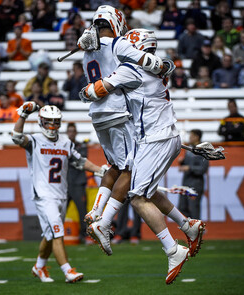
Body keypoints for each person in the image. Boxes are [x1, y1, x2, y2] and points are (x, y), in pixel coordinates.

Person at [81, 27, 205, 285]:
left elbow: (95, 91)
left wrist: (88, 64)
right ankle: (187, 225)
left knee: (137, 198)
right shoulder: (156, 67)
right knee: (146, 190)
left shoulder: (130, 69)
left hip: (155, 139)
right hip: (163, 136)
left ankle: (173, 250)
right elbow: (166, 66)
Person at [11, 103, 107, 283]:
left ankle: (39, 266)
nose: (52, 126)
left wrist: (99, 171)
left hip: (61, 194)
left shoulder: (65, 142)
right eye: (48, 122)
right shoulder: (35, 140)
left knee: (50, 234)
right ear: (41, 122)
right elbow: (16, 137)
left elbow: (80, 161)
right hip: (43, 195)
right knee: (57, 231)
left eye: (56, 122)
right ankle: (67, 270)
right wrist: (23, 114)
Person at [178, 129, 209, 219]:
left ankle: (197, 228)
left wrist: (190, 168)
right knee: (182, 207)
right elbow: (187, 164)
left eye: (191, 136)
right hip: (186, 182)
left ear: (197, 137)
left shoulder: (203, 150)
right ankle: (192, 225)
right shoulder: (189, 149)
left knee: (194, 207)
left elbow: (203, 168)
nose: (189, 138)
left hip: (196, 183)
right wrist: (182, 163)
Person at [66, 123, 89, 243]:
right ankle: (55, 234)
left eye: (72, 131)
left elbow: (81, 161)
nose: (71, 133)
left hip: (78, 183)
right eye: (69, 131)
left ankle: (85, 236)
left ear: (75, 132)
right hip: (65, 183)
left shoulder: (81, 146)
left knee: (82, 211)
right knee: (60, 211)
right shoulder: (64, 145)